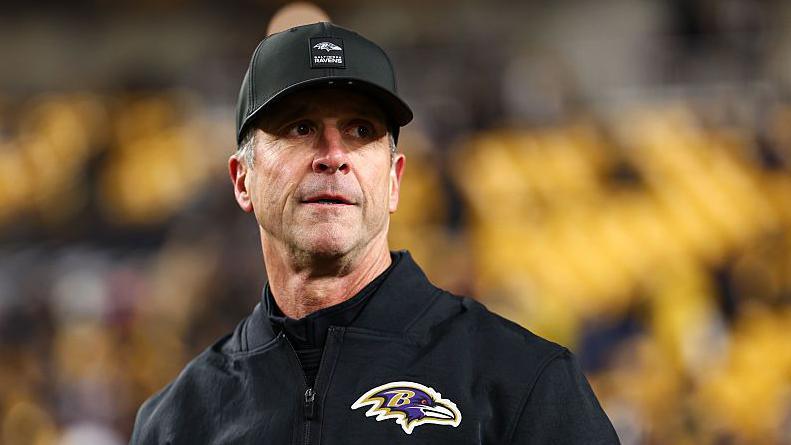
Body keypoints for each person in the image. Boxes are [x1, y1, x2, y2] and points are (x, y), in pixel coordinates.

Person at [130, 21, 619, 444]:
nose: (333, 156)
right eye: (300, 128)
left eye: (361, 131)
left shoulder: (523, 383)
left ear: (393, 181)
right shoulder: (176, 421)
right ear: (242, 181)